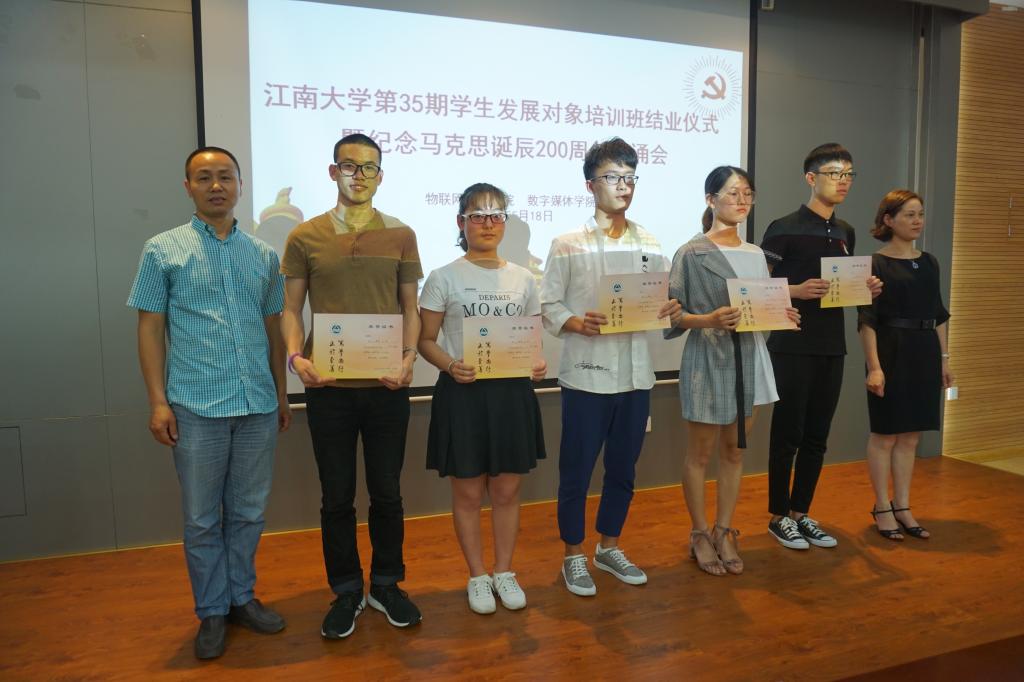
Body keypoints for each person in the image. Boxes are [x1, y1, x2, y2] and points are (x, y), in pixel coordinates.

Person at [128, 146, 290, 660]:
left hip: (257, 404)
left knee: (248, 512)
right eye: (204, 178)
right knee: (201, 519)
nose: (216, 185)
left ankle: (241, 597)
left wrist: (281, 394)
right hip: (196, 406)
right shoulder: (162, 249)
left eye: (225, 176)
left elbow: (273, 329)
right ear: (188, 187)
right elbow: (150, 328)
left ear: (241, 184)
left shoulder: (263, 255)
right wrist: (158, 401)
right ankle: (212, 610)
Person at [281, 133, 422, 639]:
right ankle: (345, 590)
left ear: (380, 176)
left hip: (387, 387)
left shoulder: (401, 234)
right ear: (332, 171)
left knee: (387, 493)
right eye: (348, 166)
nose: (358, 175)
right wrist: (296, 358)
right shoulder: (306, 236)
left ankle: (386, 584)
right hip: (329, 388)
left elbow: (410, 307)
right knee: (336, 496)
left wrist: (409, 358)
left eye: (368, 168)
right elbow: (291, 309)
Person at [540, 137, 682, 596]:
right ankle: (573, 554)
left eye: (630, 177)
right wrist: (576, 322)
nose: (623, 186)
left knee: (623, 469)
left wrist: (668, 307)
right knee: (577, 471)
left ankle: (609, 546)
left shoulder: (650, 242)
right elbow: (548, 303)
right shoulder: (568, 244)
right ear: (590, 185)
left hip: (636, 375)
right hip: (586, 374)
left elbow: (658, 300)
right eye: (612, 177)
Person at [418, 183, 548, 614]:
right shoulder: (444, 277)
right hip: (464, 395)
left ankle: (504, 571)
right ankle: (477, 576)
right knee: (469, 494)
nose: (488, 223)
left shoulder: (524, 278)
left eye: (496, 215)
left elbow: (531, 338)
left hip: (512, 396)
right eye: (478, 215)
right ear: (461, 222)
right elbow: (425, 340)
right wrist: (450, 364)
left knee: (507, 491)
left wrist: (537, 362)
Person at [667, 166, 800, 576]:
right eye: (731, 193)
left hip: (751, 357)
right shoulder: (690, 252)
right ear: (710, 200)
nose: (741, 201)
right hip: (708, 358)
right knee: (700, 454)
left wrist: (783, 314)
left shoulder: (757, 254)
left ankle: (725, 530)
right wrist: (708, 319)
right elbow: (672, 316)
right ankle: (699, 533)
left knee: (735, 450)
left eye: (747, 193)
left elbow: (761, 307)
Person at [760, 143, 882, 551]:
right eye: (834, 173)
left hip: (832, 344)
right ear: (811, 178)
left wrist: (865, 288)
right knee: (788, 434)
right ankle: (779, 516)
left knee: (817, 435)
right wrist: (795, 291)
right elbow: (758, 287)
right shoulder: (783, 227)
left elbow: (844, 287)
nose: (843, 181)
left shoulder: (845, 231)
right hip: (792, 344)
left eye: (848, 174)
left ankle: (801, 513)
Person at [858, 190, 952, 540]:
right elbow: (866, 319)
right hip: (891, 350)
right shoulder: (875, 264)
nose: (917, 221)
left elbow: (938, 314)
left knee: (911, 436)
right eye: (909, 215)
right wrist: (874, 367)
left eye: (920, 214)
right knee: (885, 434)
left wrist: (944, 359)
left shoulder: (929, 262)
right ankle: (882, 506)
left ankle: (903, 505)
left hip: (924, 350)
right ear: (888, 220)